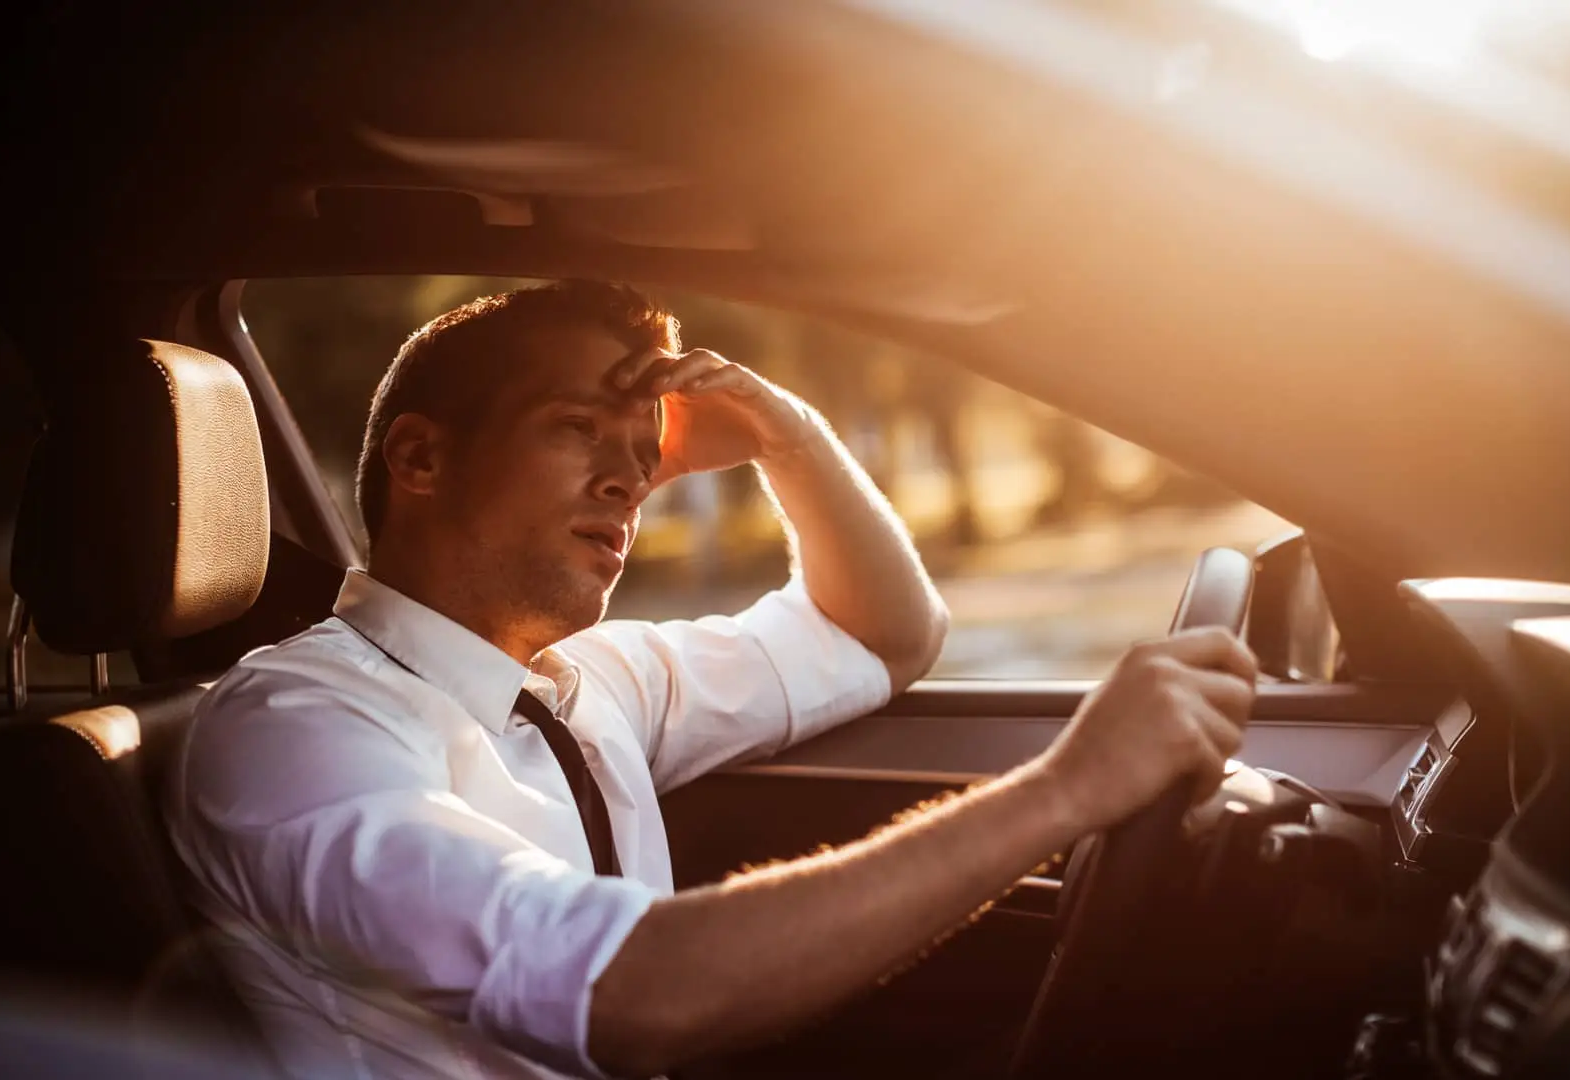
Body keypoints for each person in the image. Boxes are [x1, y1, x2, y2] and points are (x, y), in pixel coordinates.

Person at [166, 281, 1255, 1080]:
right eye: (579, 432)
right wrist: (1067, 793)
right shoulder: (294, 730)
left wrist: (789, 438)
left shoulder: (591, 682)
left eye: (644, 456)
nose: (627, 481)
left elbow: (886, 637)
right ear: (422, 461)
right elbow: (633, 996)